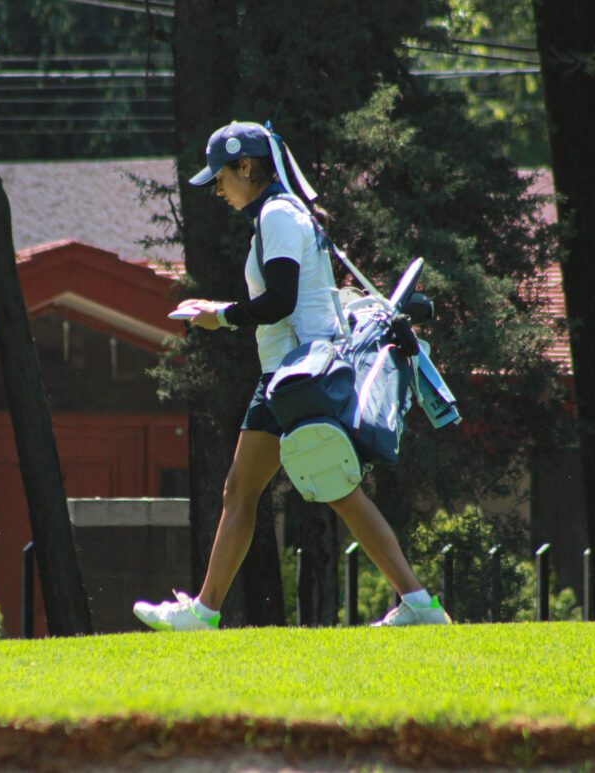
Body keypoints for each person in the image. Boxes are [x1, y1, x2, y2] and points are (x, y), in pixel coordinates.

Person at [133, 121, 450, 631]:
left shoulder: (279, 216)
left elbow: (279, 299)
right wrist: (223, 310)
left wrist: (222, 316)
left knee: (327, 490)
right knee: (253, 491)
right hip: (287, 374)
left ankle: (417, 603)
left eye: (221, 178)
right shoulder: (280, 215)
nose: (217, 190)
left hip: (298, 373)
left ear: (247, 166)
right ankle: (205, 611)